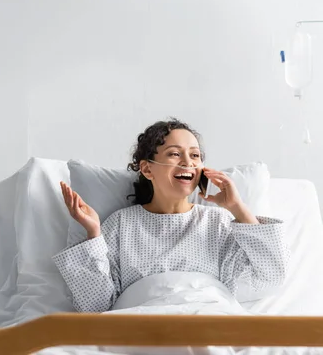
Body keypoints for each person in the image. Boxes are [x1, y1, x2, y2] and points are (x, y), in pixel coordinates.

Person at [53, 118, 289, 313]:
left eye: (195, 156)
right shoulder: (121, 224)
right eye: (175, 154)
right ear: (147, 169)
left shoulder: (219, 223)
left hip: (209, 319)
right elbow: (95, 307)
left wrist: (238, 208)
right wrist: (93, 233)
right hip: (144, 327)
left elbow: (272, 276)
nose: (188, 162)